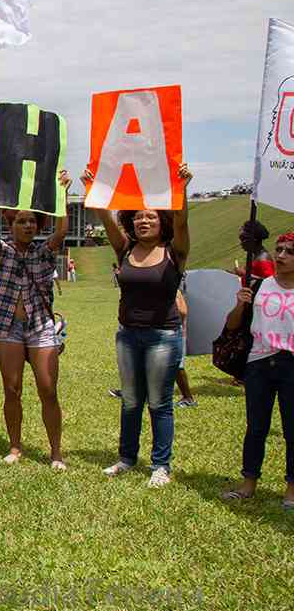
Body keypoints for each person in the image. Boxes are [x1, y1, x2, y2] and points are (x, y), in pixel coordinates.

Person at [84, 163, 193, 488]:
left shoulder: (175, 253)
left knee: (160, 403)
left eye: (151, 216)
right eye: (138, 217)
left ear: (162, 222)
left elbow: (185, 222)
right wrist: (94, 188)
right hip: (127, 336)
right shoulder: (126, 249)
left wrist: (183, 189)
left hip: (164, 337)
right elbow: (106, 218)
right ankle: (127, 458)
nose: (144, 221)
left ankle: (161, 465)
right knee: (130, 401)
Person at [0, 168, 72, 469]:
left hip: (40, 327)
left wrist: (62, 194)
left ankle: (56, 452)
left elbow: (60, 232)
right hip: (8, 327)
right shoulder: (0, 251)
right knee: (12, 389)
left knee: (48, 389)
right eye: (21, 220)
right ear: (12, 224)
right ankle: (15, 446)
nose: (28, 225)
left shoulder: (44, 253)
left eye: (32, 220)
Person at [220, 231, 294, 510]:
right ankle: (248, 483)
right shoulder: (261, 286)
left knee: (292, 430)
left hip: (291, 364)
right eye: (279, 249)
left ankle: (291, 490)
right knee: (256, 427)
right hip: (260, 363)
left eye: (289, 251)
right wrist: (240, 302)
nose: (282, 255)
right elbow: (231, 325)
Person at [174, 289, 196, 408]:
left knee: (178, 366)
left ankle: (188, 398)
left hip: (173, 332)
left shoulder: (173, 290)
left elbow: (182, 312)